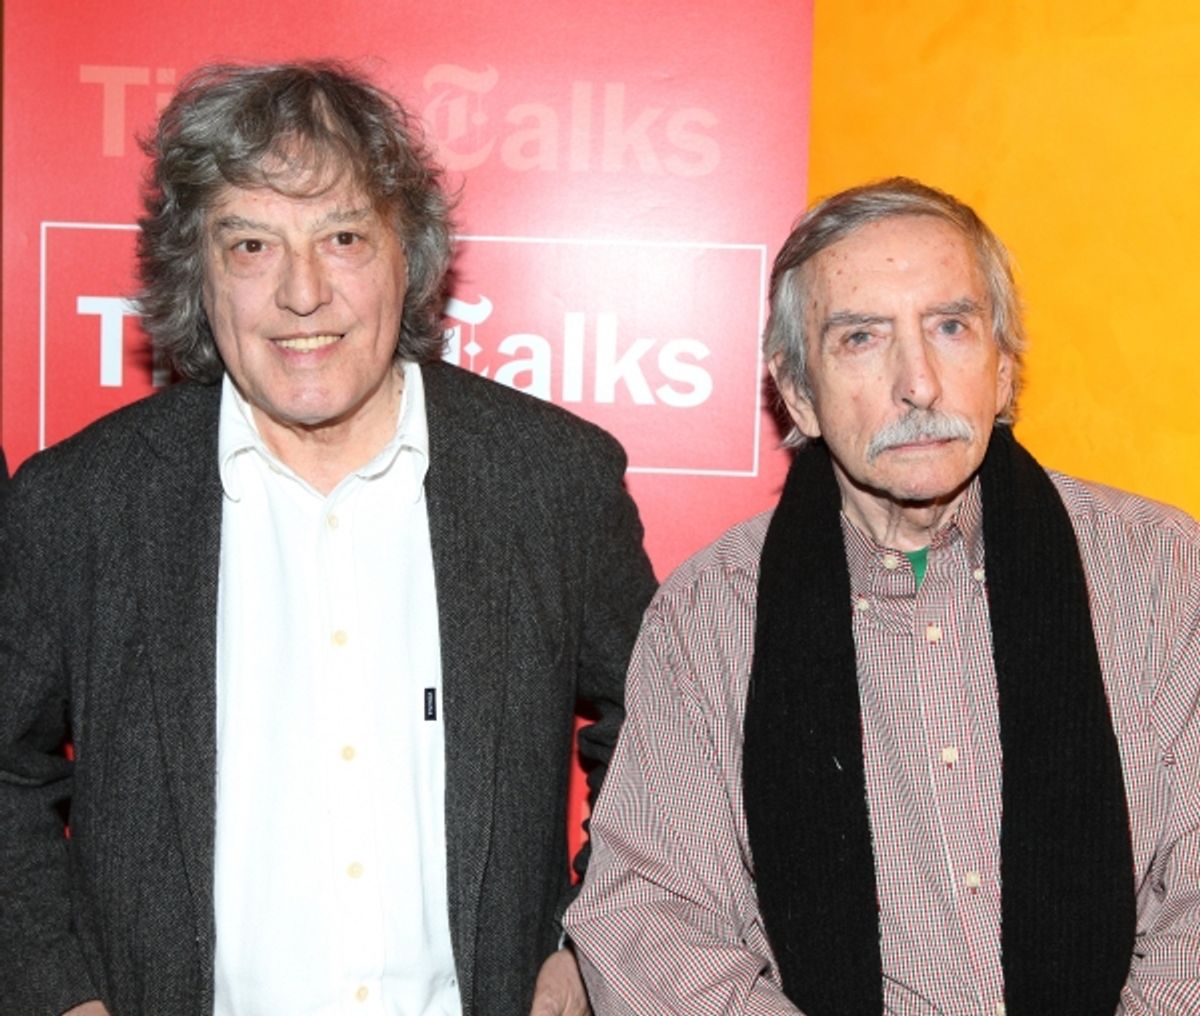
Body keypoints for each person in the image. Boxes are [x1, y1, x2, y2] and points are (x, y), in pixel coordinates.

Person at [0, 62, 656, 1016]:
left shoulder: (550, 480)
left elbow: (665, 734)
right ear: (199, 271)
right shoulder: (81, 503)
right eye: (253, 245)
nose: (303, 294)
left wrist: (590, 942)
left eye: (343, 236)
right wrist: (60, 996)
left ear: (410, 255)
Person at [565, 178, 1200, 1015]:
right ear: (798, 393)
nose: (920, 383)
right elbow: (649, 917)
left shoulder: (1159, 570)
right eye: (862, 338)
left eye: (950, 327)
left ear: (1004, 371)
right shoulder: (711, 615)